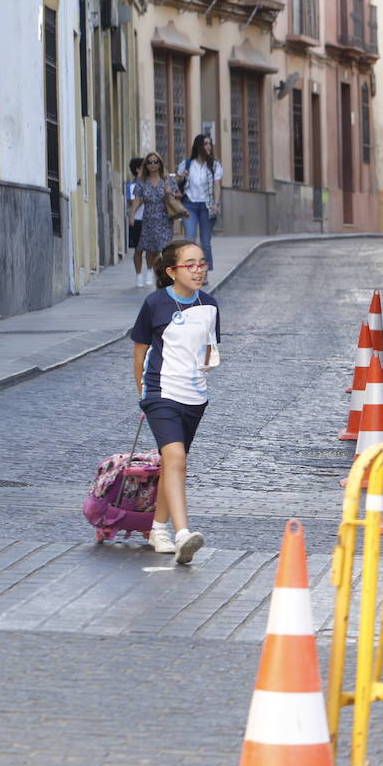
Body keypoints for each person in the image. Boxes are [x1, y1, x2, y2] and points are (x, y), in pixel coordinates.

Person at [130, 239, 220, 564]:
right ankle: (183, 534)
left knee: (173, 464)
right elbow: (139, 352)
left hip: (196, 397)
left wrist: (210, 360)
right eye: (190, 265)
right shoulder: (155, 304)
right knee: (177, 458)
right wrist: (144, 393)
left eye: (202, 263)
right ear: (171, 271)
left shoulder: (210, 305)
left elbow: (210, 345)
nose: (198, 270)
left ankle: (158, 529)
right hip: (161, 393)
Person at [128, 152, 182, 278]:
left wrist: (169, 193)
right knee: (149, 248)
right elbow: (137, 200)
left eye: (155, 162)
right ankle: (147, 272)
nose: (152, 165)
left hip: (164, 219)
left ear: (160, 164)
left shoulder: (167, 180)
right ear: (146, 165)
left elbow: (176, 196)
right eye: (149, 162)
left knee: (162, 248)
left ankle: (159, 274)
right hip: (148, 219)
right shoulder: (141, 182)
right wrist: (132, 215)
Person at [177, 134, 223, 280]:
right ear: (199, 146)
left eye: (210, 144)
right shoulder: (187, 164)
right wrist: (182, 177)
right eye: (205, 144)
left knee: (205, 242)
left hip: (207, 206)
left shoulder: (215, 165)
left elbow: (217, 186)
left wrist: (216, 204)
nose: (208, 147)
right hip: (189, 204)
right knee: (190, 240)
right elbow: (177, 182)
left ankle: (204, 273)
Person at [125, 157, 150, 288]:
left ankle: (150, 271)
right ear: (138, 170)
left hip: (151, 220)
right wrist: (143, 197)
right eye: (144, 166)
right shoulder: (131, 186)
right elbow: (131, 202)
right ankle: (139, 275)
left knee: (152, 250)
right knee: (138, 250)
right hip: (138, 220)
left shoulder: (150, 183)